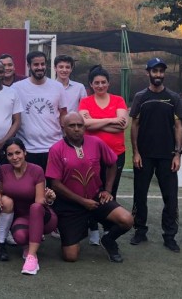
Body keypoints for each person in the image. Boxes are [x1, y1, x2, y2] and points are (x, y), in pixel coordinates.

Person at [46, 112, 134, 263]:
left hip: (95, 198)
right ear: (64, 128)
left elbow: (113, 163)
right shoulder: (56, 149)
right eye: (72, 126)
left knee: (127, 220)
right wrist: (82, 202)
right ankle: (77, 231)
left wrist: (107, 190)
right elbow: (55, 184)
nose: (76, 129)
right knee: (70, 256)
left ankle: (108, 240)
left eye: (80, 125)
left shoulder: (96, 142)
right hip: (69, 205)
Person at [130, 58, 182, 252]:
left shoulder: (173, 98)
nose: (158, 75)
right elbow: (134, 125)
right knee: (140, 195)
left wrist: (177, 154)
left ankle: (170, 235)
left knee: (170, 197)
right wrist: (136, 152)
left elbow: (179, 126)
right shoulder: (140, 97)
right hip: (144, 155)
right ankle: (140, 230)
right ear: (148, 73)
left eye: (161, 71)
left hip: (167, 156)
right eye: (155, 71)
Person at [0, 137, 58, 274]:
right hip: (22, 218)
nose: (15, 157)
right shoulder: (3, 170)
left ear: (25, 153)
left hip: (43, 217)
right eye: (10, 154)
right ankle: (28, 246)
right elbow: (3, 191)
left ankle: (32, 258)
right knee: (20, 237)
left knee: (35, 207)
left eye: (18, 153)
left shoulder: (36, 170)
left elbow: (39, 202)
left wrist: (48, 199)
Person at [78, 65, 128, 245]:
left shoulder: (118, 100)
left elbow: (122, 125)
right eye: (96, 83)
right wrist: (111, 120)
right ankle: (93, 229)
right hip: (92, 155)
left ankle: (108, 227)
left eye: (103, 82)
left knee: (110, 191)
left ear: (108, 83)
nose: (100, 85)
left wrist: (95, 123)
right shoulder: (85, 101)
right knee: (92, 192)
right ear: (91, 84)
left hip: (116, 153)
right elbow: (84, 124)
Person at [13, 51, 68, 169]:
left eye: (42, 64)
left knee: (53, 186)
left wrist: (66, 138)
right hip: (28, 149)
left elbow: (63, 113)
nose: (40, 67)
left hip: (54, 147)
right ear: (29, 66)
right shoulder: (17, 88)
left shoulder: (58, 87)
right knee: (31, 187)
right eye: (36, 65)